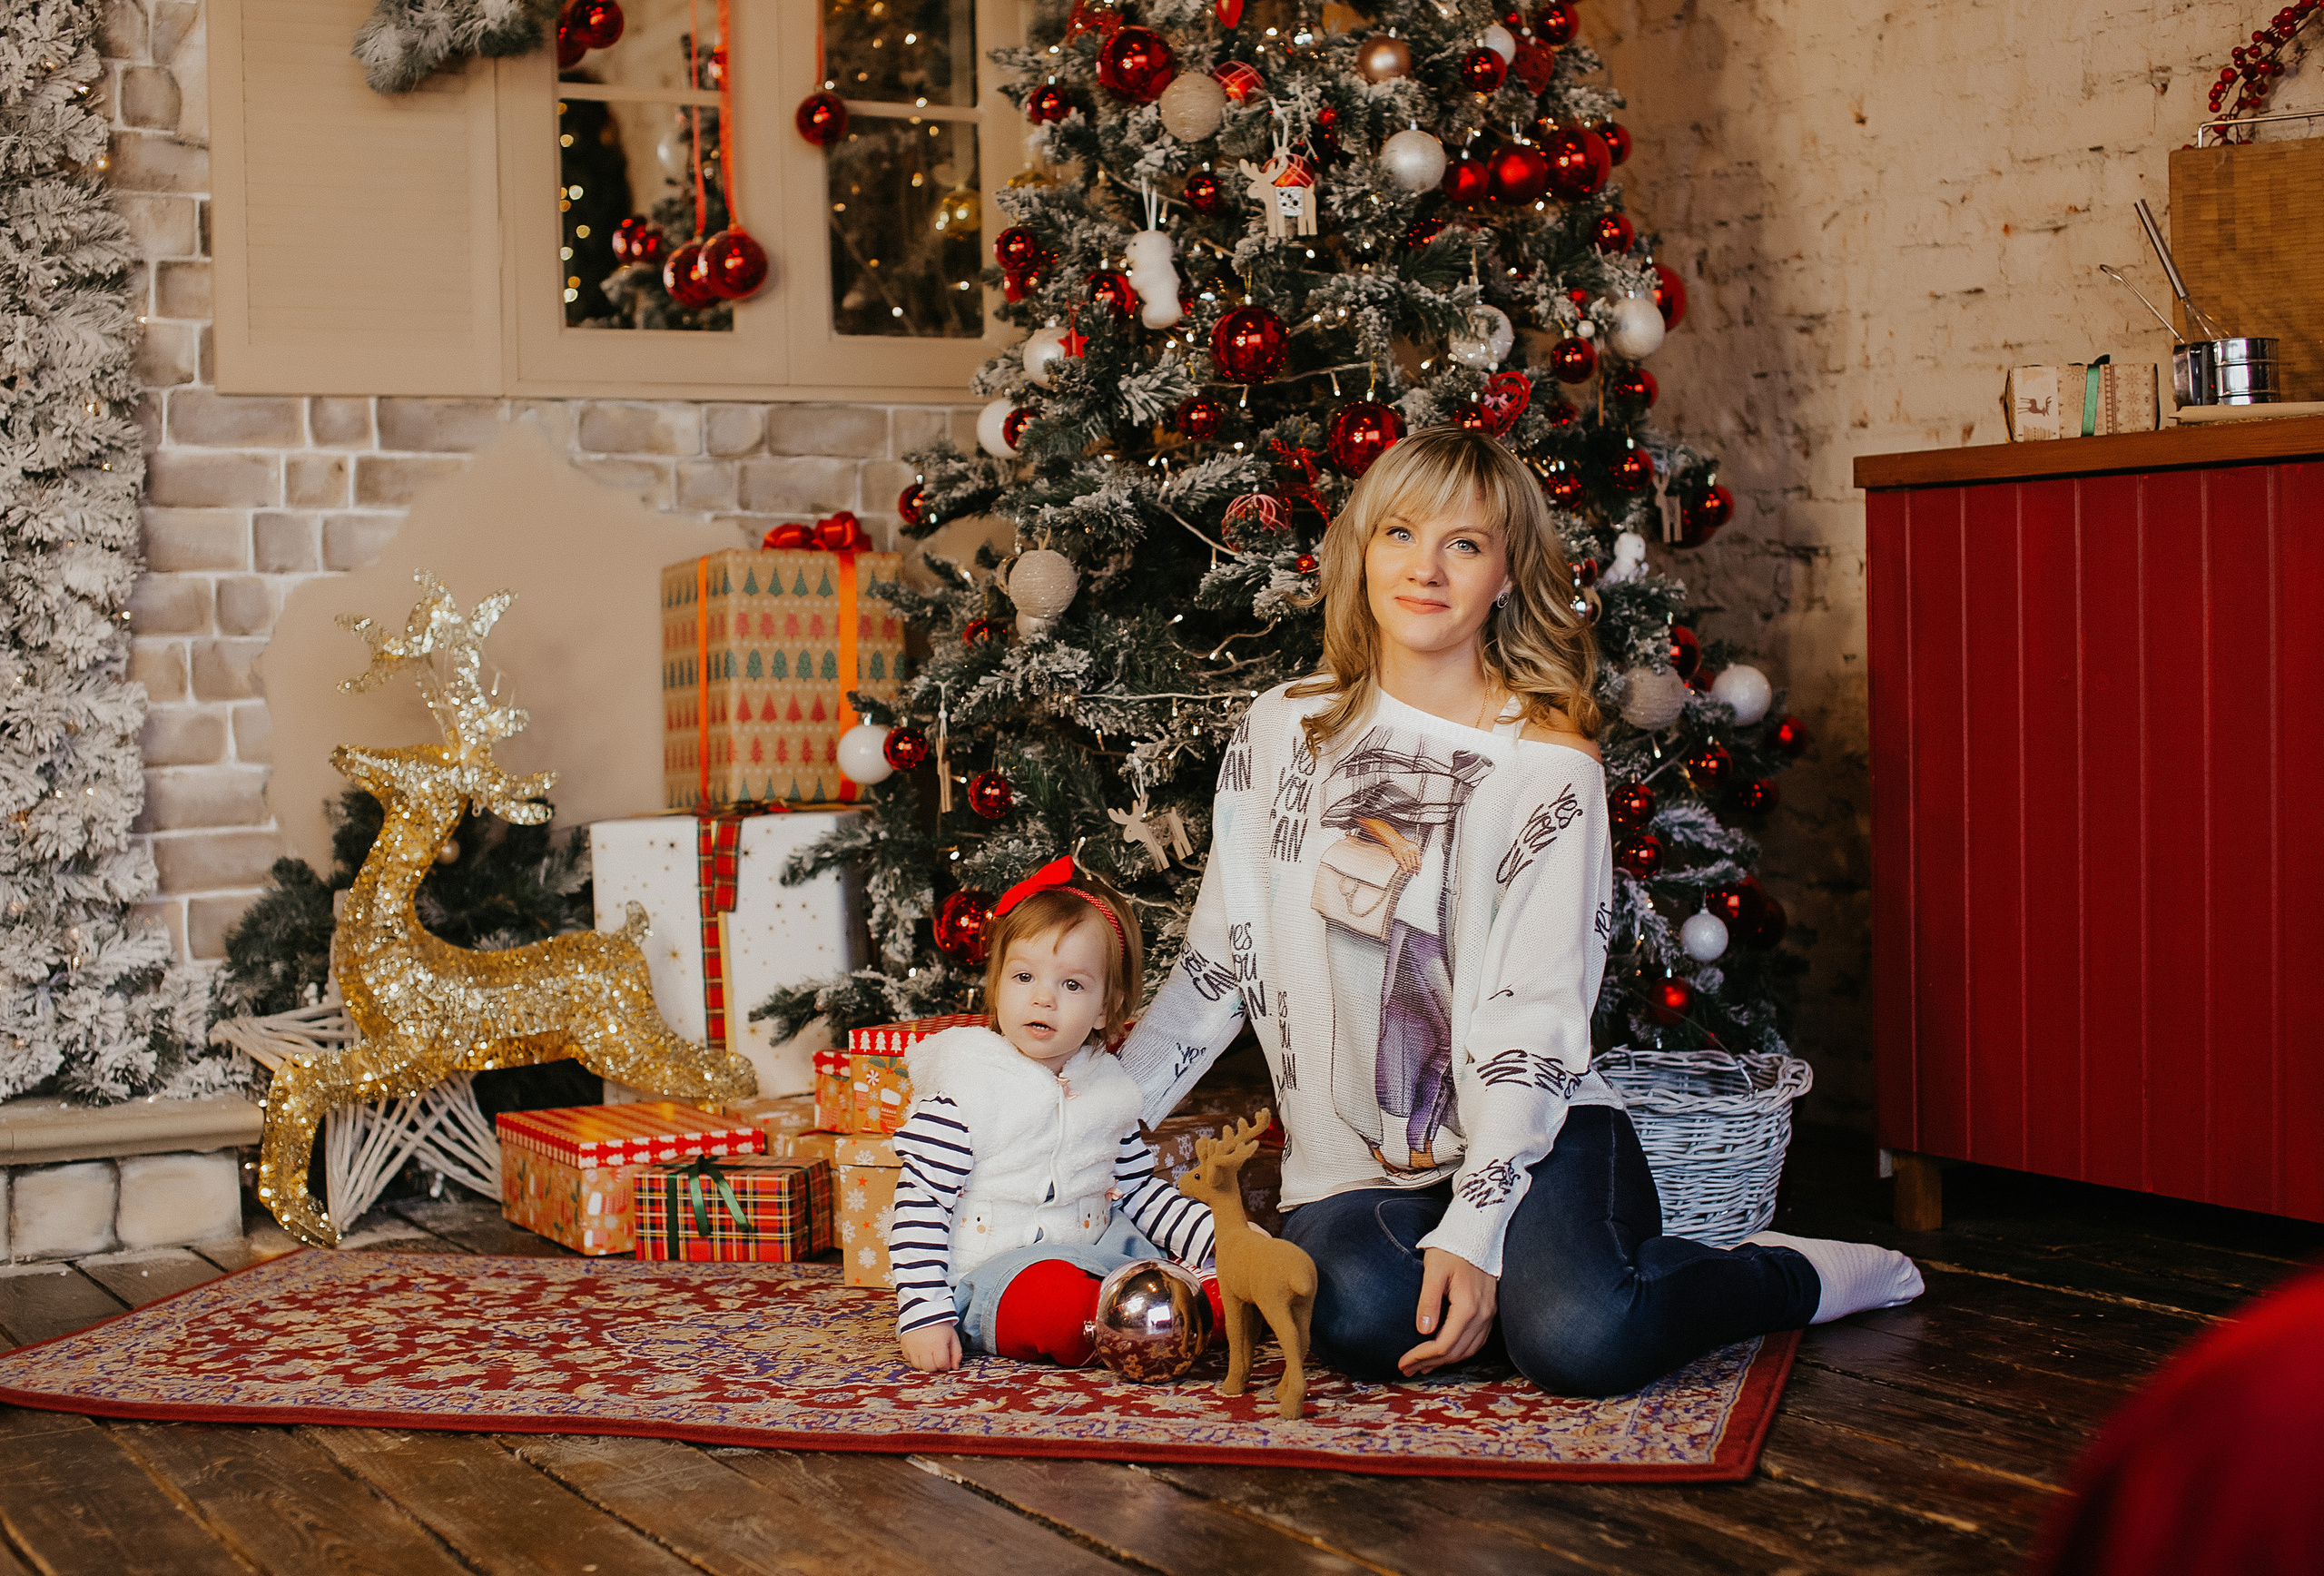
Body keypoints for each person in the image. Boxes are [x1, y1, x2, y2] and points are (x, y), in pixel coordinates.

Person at [1117, 426, 1923, 1396]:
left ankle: (1779, 1273)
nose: (1424, 568)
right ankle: (1523, 1284)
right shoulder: (1280, 728)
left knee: (1582, 1339)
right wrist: (1090, 1114)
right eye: (1399, 534)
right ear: (1361, 549)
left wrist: (1475, 1225)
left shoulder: (1546, 767)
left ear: (1505, 575)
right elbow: (1220, 960)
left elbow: (1533, 1021)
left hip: (1540, 1132)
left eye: (1462, 544)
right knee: (1359, 1318)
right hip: (1360, 1172)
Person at [888, 858, 1217, 1374]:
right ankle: (1134, 1322)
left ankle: (1187, 1308)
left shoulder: (1109, 1089)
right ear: (997, 986)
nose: (1043, 997)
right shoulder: (965, 1089)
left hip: (1104, 1255)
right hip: (997, 1276)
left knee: (1209, 1276)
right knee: (1054, 1305)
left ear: (1105, 1008)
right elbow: (920, 1205)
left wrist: (1221, 1238)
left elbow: (1139, 1192)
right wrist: (923, 1315)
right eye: (1024, 977)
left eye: (1072, 985)